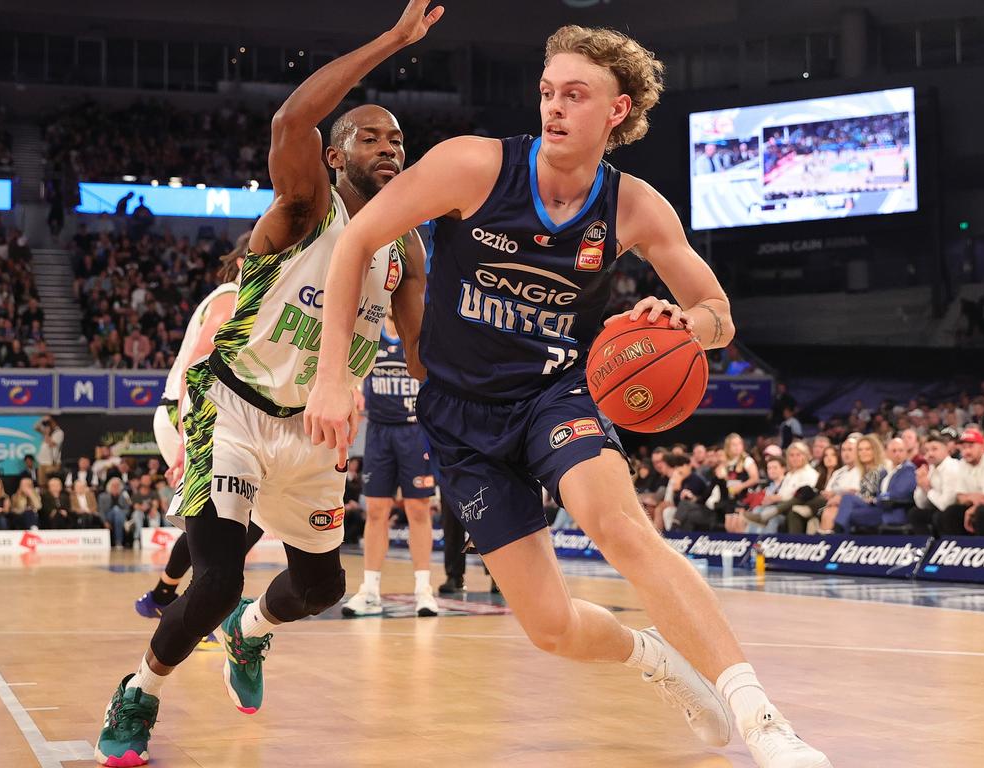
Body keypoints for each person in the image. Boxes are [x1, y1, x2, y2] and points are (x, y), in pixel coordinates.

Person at [308, 22, 830, 768]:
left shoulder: (633, 207)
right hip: (458, 417)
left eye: (575, 95)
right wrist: (334, 375)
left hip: (553, 393)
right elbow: (358, 240)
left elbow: (718, 316)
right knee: (549, 627)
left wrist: (687, 322)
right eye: (548, 91)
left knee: (621, 528)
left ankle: (764, 720)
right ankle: (655, 659)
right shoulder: (473, 166)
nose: (554, 107)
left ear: (616, 111)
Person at [94, 4, 441, 765]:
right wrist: (390, 42)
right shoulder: (305, 206)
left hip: (316, 434)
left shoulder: (405, 245)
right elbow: (291, 117)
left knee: (322, 589)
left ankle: (248, 637)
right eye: (370, 136)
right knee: (214, 578)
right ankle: (139, 692)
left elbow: (420, 354)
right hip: (233, 413)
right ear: (335, 154)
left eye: (399, 141)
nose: (389, 147)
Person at [136, 234, 263, 643]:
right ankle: (195, 606)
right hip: (186, 412)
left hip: (202, 414)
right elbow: (197, 365)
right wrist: (192, 437)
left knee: (239, 516)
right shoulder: (231, 296)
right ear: (245, 262)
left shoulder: (249, 301)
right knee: (229, 518)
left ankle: (165, 595)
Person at [342, 311, 439, 617]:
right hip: (379, 431)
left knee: (418, 510)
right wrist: (353, 391)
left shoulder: (422, 330)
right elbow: (350, 375)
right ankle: (370, 590)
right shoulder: (369, 331)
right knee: (376, 512)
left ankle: (424, 590)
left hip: (414, 431)